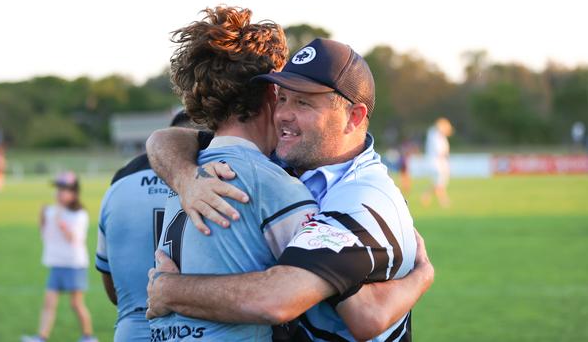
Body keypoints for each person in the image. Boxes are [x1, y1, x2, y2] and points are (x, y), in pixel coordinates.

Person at [146, 36, 433, 341]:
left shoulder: (363, 200)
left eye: (303, 102)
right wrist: (185, 177)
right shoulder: (286, 159)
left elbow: (279, 299)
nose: (282, 114)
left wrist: (169, 289)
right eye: (281, 98)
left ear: (354, 117)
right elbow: (165, 139)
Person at [95, 110, 210, 342]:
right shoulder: (221, 175)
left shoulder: (119, 184)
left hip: (133, 331)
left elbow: (112, 288)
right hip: (199, 332)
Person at [22, 172, 98, 342]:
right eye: (58, 189)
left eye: (64, 189)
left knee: (76, 304)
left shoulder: (79, 215)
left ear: (74, 193)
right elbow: (45, 235)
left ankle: (88, 337)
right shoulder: (50, 211)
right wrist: (42, 218)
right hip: (56, 263)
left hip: (73, 264)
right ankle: (41, 337)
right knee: (48, 303)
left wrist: (60, 221)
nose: (59, 193)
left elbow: (74, 239)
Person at [421, 118, 454, 208]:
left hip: (437, 162)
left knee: (437, 182)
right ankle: (443, 201)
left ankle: (426, 196)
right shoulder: (436, 136)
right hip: (437, 162)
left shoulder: (434, 134)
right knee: (440, 183)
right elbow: (440, 151)